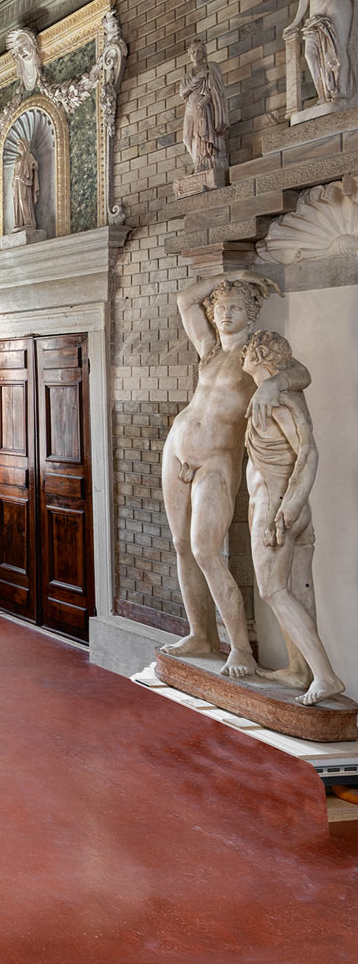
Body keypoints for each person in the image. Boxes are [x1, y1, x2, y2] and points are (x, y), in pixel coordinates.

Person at [159, 273, 306, 677]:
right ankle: (200, 635)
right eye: (221, 308)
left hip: (217, 464)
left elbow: (302, 375)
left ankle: (240, 648)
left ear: (251, 314)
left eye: (235, 307)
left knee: (205, 550)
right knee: (181, 546)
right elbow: (184, 300)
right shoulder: (208, 350)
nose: (225, 314)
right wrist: (230, 277)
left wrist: (273, 384)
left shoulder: (257, 355)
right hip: (177, 450)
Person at [241, 331, 344, 706]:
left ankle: (325, 675)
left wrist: (288, 507)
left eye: (248, 351)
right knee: (300, 591)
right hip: (294, 510)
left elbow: (309, 453)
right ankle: (299, 670)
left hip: (276, 508)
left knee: (272, 589)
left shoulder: (278, 399)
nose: (243, 357)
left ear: (261, 354)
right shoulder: (281, 391)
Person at [178, 38, 228, 174]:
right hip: (189, 107)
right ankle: (196, 162)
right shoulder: (187, 76)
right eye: (193, 51)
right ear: (189, 55)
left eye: (199, 51)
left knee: (202, 134)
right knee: (187, 139)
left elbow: (216, 91)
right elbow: (183, 93)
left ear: (204, 53)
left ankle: (206, 163)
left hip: (204, 106)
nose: (195, 54)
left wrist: (204, 101)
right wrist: (196, 79)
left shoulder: (210, 67)